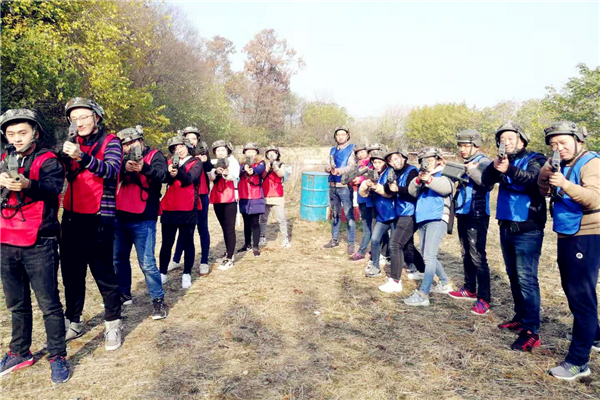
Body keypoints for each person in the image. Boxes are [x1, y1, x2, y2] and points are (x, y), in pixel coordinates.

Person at [0, 109, 69, 383]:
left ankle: (57, 356)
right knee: (16, 303)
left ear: (35, 133)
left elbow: (53, 188)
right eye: (11, 134)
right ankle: (19, 352)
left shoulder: (48, 160)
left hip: (39, 241)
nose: (16, 139)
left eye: (22, 133)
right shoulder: (3, 159)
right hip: (6, 240)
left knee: (49, 304)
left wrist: (28, 184)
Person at [538, 121, 600, 380]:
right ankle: (594, 336)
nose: (558, 148)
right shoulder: (558, 163)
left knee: (580, 295)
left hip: (587, 233)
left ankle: (578, 362)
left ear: (578, 141)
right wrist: (545, 176)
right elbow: (543, 192)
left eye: (563, 142)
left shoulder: (591, 162)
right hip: (567, 232)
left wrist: (564, 183)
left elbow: (594, 198)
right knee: (572, 288)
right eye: (553, 144)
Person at [60, 97, 123, 351]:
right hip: (71, 216)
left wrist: (82, 156)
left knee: (104, 274)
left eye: (84, 117)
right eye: (74, 118)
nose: (79, 122)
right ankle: (73, 320)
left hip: (99, 216)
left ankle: (113, 324)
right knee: (72, 274)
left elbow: (111, 169)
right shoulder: (70, 142)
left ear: (96, 117)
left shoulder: (111, 141)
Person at [482, 122, 546, 352]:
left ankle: (532, 331)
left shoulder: (536, 159)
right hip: (506, 225)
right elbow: (486, 180)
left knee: (527, 279)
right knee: (514, 276)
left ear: (522, 140)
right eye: (502, 139)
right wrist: (495, 167)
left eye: (510, 138)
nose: (506, 142)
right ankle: (521, 317)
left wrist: (508, 169)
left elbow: (534, 181)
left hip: (528, 228)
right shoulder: (503, 160)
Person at [113, 126, 168, 319]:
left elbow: (163, 176)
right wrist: (123, 167)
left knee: (147, 263)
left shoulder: (155, 156)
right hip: (120, 215)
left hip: (144, 216)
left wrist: (144, 168)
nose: (129, 147)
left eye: (132, 142)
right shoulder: (120, 158)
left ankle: (158, 300)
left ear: (141, 141)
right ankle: (124, 293)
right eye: (125, 144)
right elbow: (108, 174)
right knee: (119, 259)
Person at [447, 130, 493, 316]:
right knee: (465, 252)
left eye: (466, 146)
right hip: (463, 212)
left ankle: (484, 298)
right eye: (460, 146)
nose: (462, 149)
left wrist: (471, 170)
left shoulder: (484, 162)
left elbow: (487, 184)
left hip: (478, 214)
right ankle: (469, 288)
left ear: (476, 145)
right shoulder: (467, 162)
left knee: (478, 256)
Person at [404, 148, 454, 307]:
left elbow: (446, 188)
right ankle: (444, 283)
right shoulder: (422, 176)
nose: (427, 163)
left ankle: (423, 294)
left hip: (437, 217)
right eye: (424, 161)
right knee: (428, 254)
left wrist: (429, 179)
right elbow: (412, 191)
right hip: (423, 218)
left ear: (438, 160)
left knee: (429, 257)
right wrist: (419, 180)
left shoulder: (445, 173)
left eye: (430, 160)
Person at [158, 135, 202, 289]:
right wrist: (168, 173)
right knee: (166, 243)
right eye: (175, 148)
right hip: (170, 207)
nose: (179, 150)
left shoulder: (196, 162)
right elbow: (164, 180)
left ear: (187, 146)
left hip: (188, 207)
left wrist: (177, 172)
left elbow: (190, 179)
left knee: (187, 241)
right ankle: (162, 272)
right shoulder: (169, 162)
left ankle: (187, 273)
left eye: (181, 146)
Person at [378, 148, 425, 293]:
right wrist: (386, 187)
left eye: (396, 158)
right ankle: (422, 271)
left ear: (403, 158)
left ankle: (395, 281)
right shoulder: (394, 172)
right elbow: (389, 190)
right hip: (401, 212)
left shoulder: (412, 171)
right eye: (390, 160)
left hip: (411, 212)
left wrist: (397, 189)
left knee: (395, 244)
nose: (393, 162)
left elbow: (414, 192)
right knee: (407, 244)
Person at [170, 126, 211, 276]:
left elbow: (209, 168)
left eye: (194, 138)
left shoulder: (202, 153)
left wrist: (205, 161)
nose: (191, 141)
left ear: (198, 140)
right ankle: (176, 259)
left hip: (201, 193)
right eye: (188, 138)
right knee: (184, 228)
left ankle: (204, 261)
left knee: (202, 227)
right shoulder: (180, 154)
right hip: (184, 195)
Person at [358, 149, 397, 278]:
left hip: (394, 214)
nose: (376, 165)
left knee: (396, 245)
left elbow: (390, 192)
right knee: (375, 239)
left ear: (385, 162)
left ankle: (407, 269)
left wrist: (376, 186)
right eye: (374, 162)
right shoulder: (375, 174)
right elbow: (366, 193)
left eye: (379, 162)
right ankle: (375, 267)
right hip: (381, 214)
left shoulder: (390, 172)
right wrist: (366, 186)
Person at [323, 126, 356, 254]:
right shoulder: (332, 150)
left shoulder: (352, 149)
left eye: (343, 134)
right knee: (335, 213)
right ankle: (334, 239)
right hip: (333, 185)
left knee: (349, 214)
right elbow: (327, 164)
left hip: (344, 186)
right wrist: (328, 168)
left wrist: (339, 171)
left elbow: (352, 167)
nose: (340, 137)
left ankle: (351, 242)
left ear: (347, 136)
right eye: (338, 135)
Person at [208, 140, 240, 270]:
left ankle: (230, 258)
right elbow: (209, 176)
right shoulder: (213, 163)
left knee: (229, 228)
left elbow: (235, 175)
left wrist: (226, 173)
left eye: (222, 150)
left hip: (229, 196)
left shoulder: (233, 161)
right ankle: (227, 252)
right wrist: (216, 172)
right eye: (217, 150)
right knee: (223, 227)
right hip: (217, 196)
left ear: (227, 151)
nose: (220, 152)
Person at [237, 143, 266, 257]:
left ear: (256, 153)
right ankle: (247, 244)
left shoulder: (260, 163)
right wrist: (243, 169)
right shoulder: (240, 164)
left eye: (253, 151)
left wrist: (252, 171)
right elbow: (237, 171)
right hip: (244, 195)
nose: (250, 153)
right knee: (246, 222)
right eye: (248, 151)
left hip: (255, 195)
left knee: (255, 222)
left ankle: (256, 246)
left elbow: (260, 169)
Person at [259, 145, 290, 248]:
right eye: (269, 153)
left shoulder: (281, 164)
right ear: (267, 154)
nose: (272, 155)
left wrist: (275, 168)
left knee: (281, 218)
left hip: (277, 194)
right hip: (265, 194)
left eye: (274, 152)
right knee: (263, 218)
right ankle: (262, 237)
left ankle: (285, 238)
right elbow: (262, 176)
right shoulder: (263, 164)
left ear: (277, 154)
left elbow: (281, 174)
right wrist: (267, 168)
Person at [348, 144, 374, 262]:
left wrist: (361, 179)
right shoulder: (358, 166)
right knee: (366, 226)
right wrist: (353, 181)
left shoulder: (372, 164)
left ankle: (362, 251)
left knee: (370, 227)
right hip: (361, 199)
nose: (360, 154)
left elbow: (372, 176)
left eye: (362, 152)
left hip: (371, 200)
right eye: (358, 153)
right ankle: (372, 250)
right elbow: (353, 181)